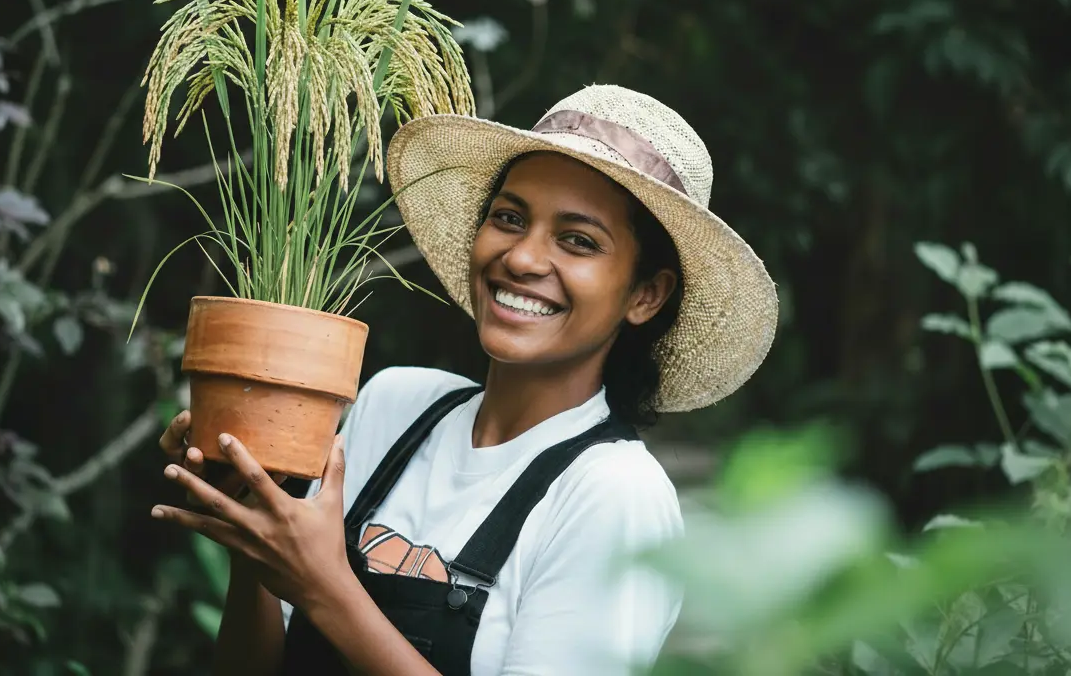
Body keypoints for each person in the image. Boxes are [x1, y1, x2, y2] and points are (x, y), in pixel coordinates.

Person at [150, 84, 779, 675]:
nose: (524, 257)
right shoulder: (395, 404)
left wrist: (325, 587)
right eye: (509, 218)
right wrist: (251, 540)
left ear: (645, 294)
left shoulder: (614, 493)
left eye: (578, 241)